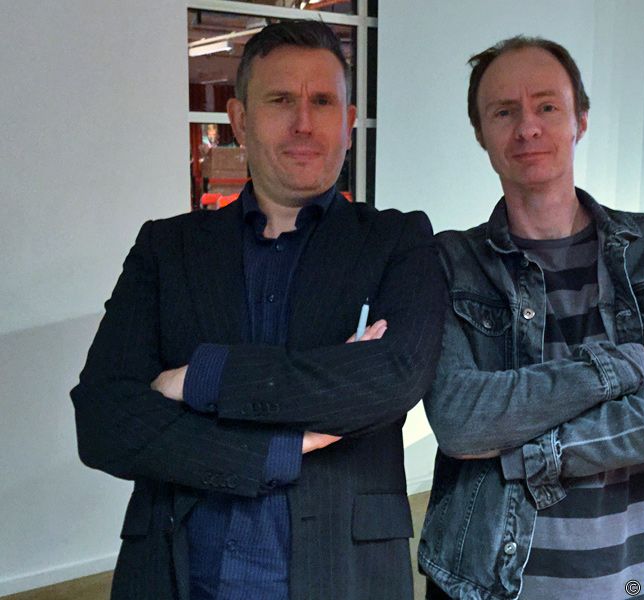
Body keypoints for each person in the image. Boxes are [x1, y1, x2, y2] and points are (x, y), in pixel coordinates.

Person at [71, 20, 444, 600]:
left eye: (322, 101)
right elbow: (102, 420)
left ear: (348, 124)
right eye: (280, 100)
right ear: (240, 120)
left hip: (342, 575)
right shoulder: (166, 248)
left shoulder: (397, 240)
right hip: (177, 573)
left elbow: (392, 378)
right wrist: (268, 451)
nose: (303, 122)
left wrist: (200, 378)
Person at [417, 36, 644, 600]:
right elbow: (462, 422)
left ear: (580, 119)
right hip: (486, 579)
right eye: (504, 111)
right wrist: (616, 372)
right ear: (481, 133)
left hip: (636, 574)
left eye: (547, 106)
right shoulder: (450, 262)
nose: (527, 127)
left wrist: (533, 452)